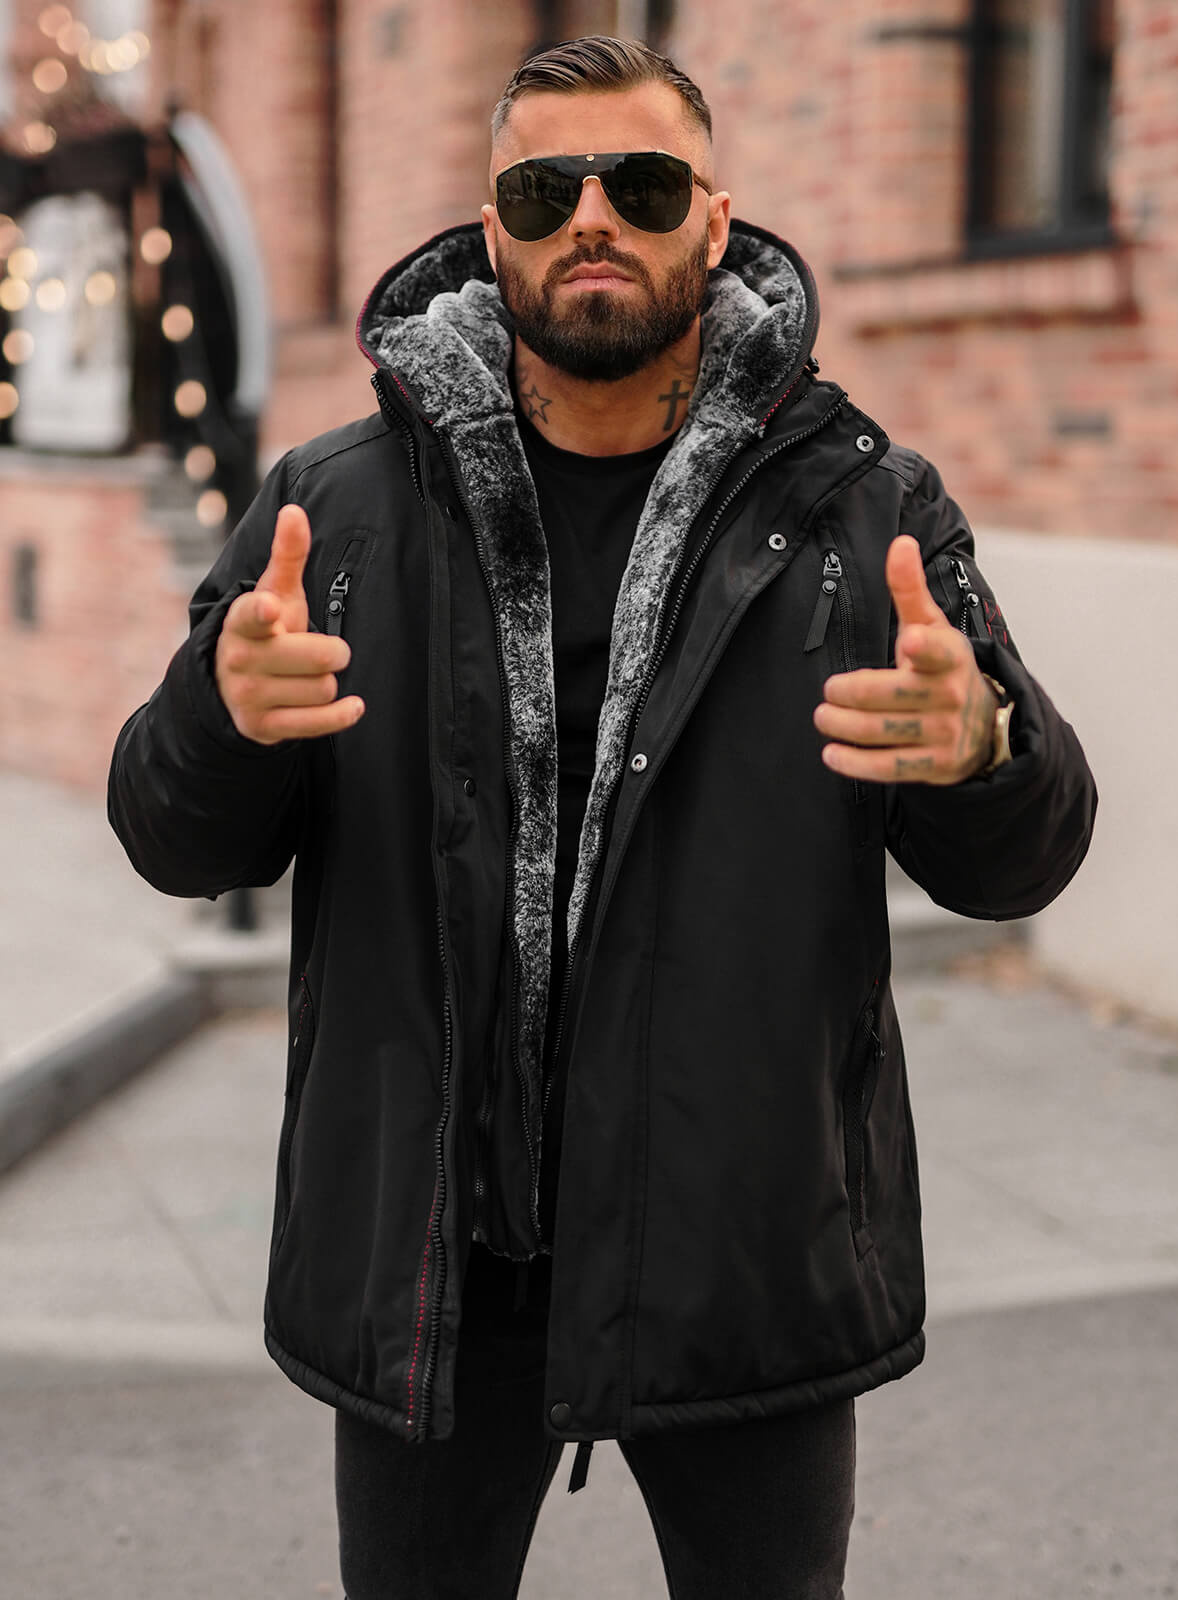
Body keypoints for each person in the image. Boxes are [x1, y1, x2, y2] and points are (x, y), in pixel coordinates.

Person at [108, 34, 1097, 1600]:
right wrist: (214, 720)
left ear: (715, 217)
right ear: (488, 227)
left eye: (640, 184)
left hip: (744, 1252)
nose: (591, 218)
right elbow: (174, 839)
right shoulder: (334, 511)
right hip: (439, 1267)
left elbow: (1024, 860)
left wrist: (984, 745)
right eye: (542, 188)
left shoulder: (864, 512)